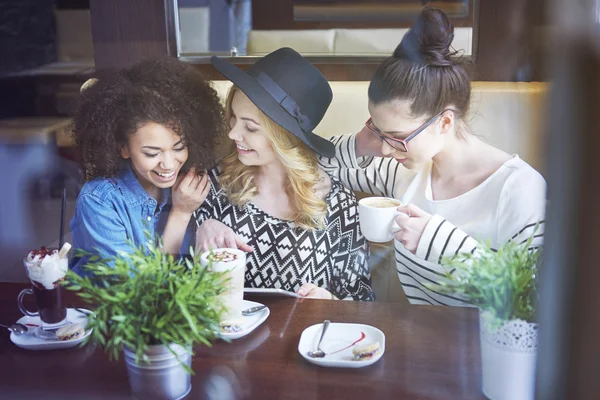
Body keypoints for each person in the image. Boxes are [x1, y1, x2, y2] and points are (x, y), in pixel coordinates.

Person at [318, 7, 546, 306]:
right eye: (379, 131)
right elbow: (303, 162)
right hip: (414, 341)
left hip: (485, 349)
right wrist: (360, 145)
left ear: (445, 122)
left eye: (399, 137)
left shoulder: (519, 187)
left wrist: (444, 245)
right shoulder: (402, 169)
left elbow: (533, 303)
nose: (386, 150)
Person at [195, 48, 374, 301]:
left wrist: (331, 303)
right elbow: (182, 285)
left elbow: (363, 300)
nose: (233, 134)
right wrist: (198, 229)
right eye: (233, 118)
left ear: (285, 138)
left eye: (250, 127)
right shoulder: (212, 185)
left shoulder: (338, 205)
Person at [70, 58, 227, 274]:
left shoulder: (195, 182)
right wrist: (180, 214)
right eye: (152, 153)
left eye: (179, 147)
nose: (169, 163)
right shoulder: (99, 202)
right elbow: (141, 292)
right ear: (123, 148)